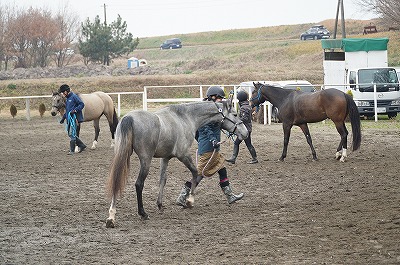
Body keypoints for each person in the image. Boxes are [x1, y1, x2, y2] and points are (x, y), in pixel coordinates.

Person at [176, 86, 244, 207]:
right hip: (208, 147)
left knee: (222, 170)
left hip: (211, 147)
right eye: (220, 99)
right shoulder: (205, 111)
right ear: (213, 97)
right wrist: (212, 139)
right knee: (199, 175)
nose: (221, 101)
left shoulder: (214, 110)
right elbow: (204, 128)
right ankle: (183, 196)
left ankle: (230, 195)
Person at [226, 90, 258, 164]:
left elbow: (245, 118)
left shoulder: (244, 107)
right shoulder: (247, 106)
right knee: (247, 143)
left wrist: (236, 120)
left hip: (245, 129)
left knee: (239, 143)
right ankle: (254, 158)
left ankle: (234, 158)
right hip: (248, 128)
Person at [58, 84, 87, 155]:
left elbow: (81, 104)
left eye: (62, 92)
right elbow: (68, 110)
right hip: (69, 118)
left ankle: (72, 150)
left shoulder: (74, 97)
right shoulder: (68, 98)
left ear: (65, 91)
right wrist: (63, 118)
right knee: (70, 134)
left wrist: (75, 110)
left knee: (72, 133)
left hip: (74, 118)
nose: (62, 94)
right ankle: (82, 145)